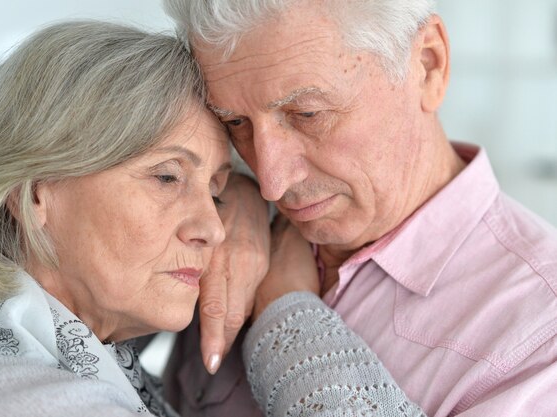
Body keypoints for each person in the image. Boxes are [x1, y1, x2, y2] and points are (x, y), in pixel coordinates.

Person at [0, 20, 427, 417]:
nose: (212, 229)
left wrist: (249, 199)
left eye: (215, 191)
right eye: (167, 178)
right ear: (35, 192)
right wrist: (286, 304)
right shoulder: (16, 399)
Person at [162, 1, 557, 416]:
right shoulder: (220, 220)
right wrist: (228, 195)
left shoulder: (542, 336)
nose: (272, 182)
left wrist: (286, 306)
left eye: (307, 114)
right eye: (236, 123)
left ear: (428, 64)